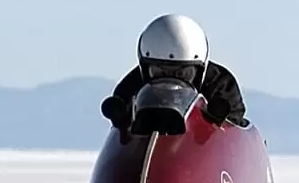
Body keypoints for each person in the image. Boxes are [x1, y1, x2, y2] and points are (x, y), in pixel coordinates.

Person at [100, 13, 249, 130]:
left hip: (200, 155)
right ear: (144, 69)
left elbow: (233, 123)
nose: (170, 81)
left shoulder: (220, 85)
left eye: (183, 74)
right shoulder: (130, 89)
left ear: (200, 70)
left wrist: (214, 121)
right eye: (158, 72)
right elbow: (121, 126)